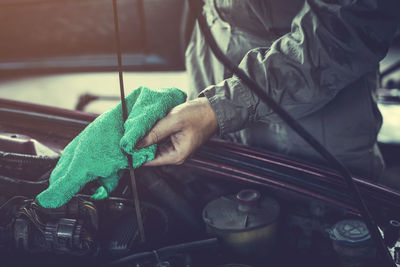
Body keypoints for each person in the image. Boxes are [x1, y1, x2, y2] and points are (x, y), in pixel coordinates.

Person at [137, 0, 400, 180]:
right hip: (212, 71)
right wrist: (212, 107)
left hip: (314, 115)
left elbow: (346, 27)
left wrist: (220, 108)